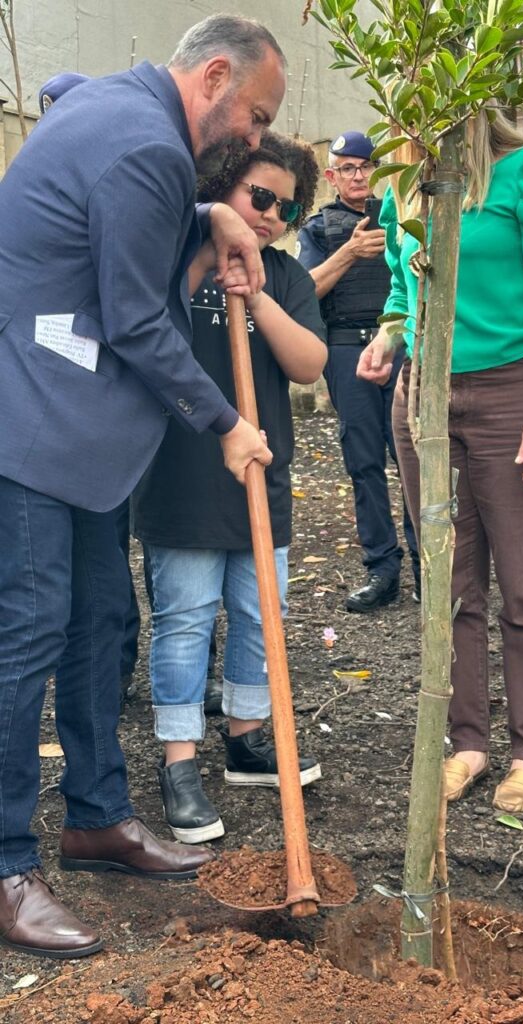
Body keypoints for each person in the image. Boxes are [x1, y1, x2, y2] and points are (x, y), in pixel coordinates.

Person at [0, 15, 287, 960]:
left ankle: (96, 820)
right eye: (254, 115)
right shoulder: (143, 144)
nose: (255, 138)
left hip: (74, 430)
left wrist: (211, 216)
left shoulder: (129, 122)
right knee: (31, 630)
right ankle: (5, 866)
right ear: (211, 77)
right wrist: (229, 424)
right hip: (33, 422)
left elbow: (120, 235)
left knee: (101, 621)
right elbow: (132, 315)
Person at [358, 107, 523, 814]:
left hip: (512, 391)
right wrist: (391, 337)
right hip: (424, 393)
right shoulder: (403, 185)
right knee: (448, 586)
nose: (410, 120)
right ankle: (469, 742)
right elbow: (402, 281)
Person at [133, 131, 326, 844]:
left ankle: (247, 735)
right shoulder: (178, 260)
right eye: (260, 196)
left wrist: (261, 299)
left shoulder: (287, 277)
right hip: (184, 478)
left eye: (289, 205)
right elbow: (147, 325)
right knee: (185, 617)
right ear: (220, 188)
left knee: (259, 611)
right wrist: (213, 254)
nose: (273, 214)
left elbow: (309, 366)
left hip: (259, 480)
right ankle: (179, 756)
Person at [297, 131, 420, 613]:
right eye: (346, 168)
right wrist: (347, 252)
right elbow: (301, 293)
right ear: (331, 176)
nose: (357, 176)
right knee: (364, 461)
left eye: (366, 166)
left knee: (414, 458)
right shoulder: (318, 229)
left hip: (404, 345)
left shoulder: (404, 215)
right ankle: (382, 571)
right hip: (348, 349)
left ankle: (425, 568)